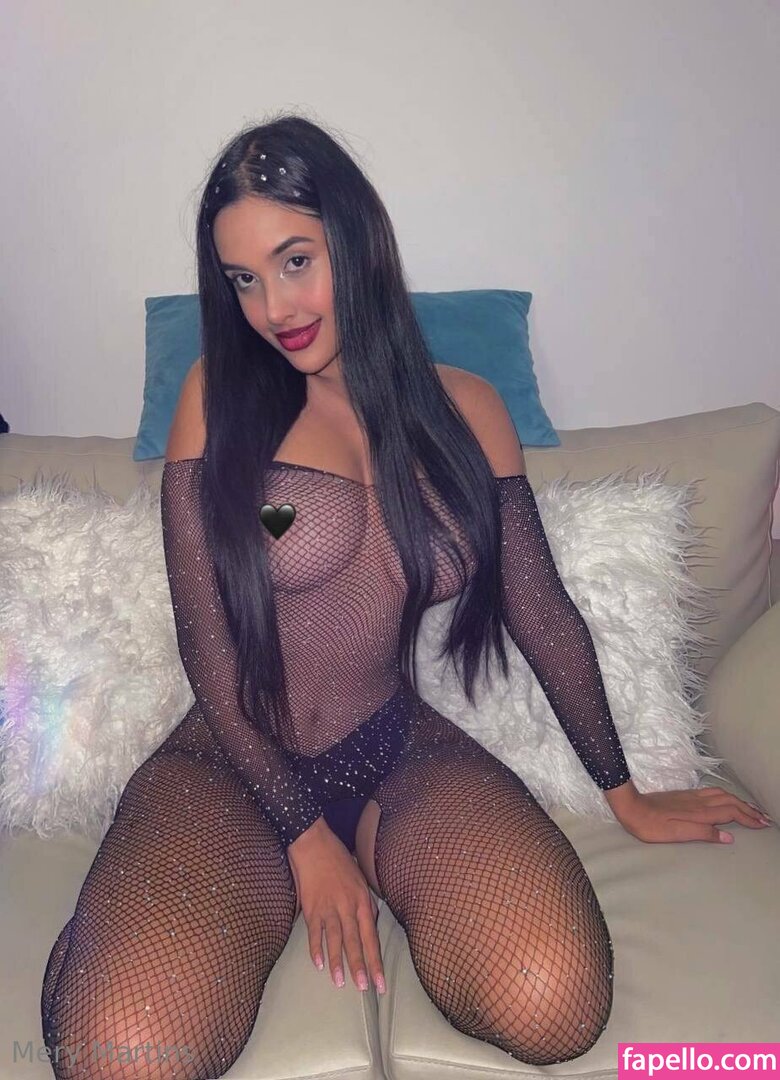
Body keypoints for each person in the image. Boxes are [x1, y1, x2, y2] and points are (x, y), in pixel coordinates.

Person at [40, 111, 770, 1079]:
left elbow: (539, 611)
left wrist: (624, 792)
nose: (273, 307)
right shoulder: (219, 398)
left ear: (356, 237)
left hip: (394, 749)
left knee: (552, 1001)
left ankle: (377, 863)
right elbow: (207, 648)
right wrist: (304, 840)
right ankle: (150, 919)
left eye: (295, 261)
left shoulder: (468, 409)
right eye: (243, 279)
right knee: (121, 1053)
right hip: (231, 761)